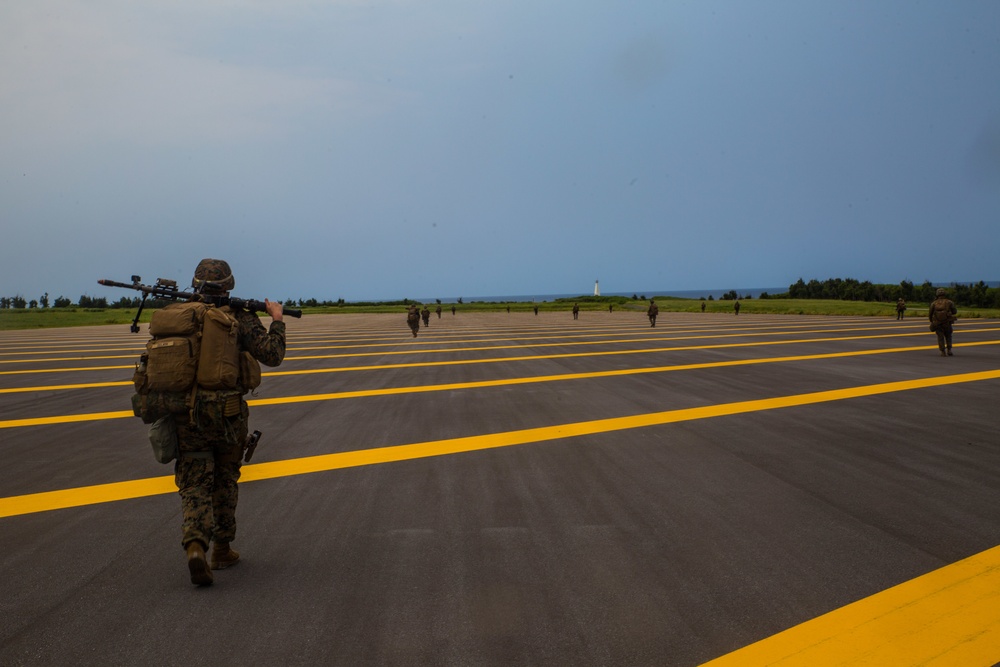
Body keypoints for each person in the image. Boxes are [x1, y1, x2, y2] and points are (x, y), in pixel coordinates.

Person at [174, 259, 286, 586]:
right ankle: (221, 549)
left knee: (194, 481)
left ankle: (195, 543)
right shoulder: (239, 317)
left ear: (195, 283)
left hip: (185, 414)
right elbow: (272, 354)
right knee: (224, 479)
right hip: (227, 415)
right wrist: (277, 320)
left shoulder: (181, 315)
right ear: (228, 285)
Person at [928, 288, 957, 356]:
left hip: (937, 323)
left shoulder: (934, 303)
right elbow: (955, 311)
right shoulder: (949, 302)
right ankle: (949, 350)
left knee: (940, 337)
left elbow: (930, 314)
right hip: (947, 322)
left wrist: (932, 321)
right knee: (948, 336)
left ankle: (942, 351)